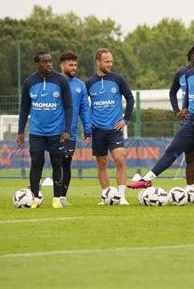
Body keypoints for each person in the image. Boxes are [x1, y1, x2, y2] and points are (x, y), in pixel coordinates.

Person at [128, 42, 194, 205]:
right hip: (191, 121)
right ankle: (147, 179)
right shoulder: (189, 74)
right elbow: (189, 93)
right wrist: (185, 107)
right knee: (172, 150)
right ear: (193, 56)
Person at [17, 52, 73, 209]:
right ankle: (35, 198)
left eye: (50, 61)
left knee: (57, 163)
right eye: (45, 62)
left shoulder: (61, 80)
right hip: (36, 132)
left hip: (56, 132)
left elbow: (69, 107)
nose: (49, 64)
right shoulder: (29, 82)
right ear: (37, 64)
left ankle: (56, 199)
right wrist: (20, 131)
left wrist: (67, 129)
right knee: (36, 163)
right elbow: (24, 108)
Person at [86, 48, 134, 205]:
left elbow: (130, 98)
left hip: (115, 128)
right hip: (97, 129)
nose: (110, 64)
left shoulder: (117, 79)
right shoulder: (89, 83)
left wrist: (126, 119)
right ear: (98, 62)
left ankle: (122, 197)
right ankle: (106, 196)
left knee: (120, 158)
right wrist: (87, 127)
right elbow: (82, 106)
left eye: (111, 61)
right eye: (107, 61)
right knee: (102, 163)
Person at [59, 52, 92, 206]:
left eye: (75, 65)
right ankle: (38, 194)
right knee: (52, 162)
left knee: (66, 163)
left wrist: (87, 130)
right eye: (70, 65)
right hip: (52, 131)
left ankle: (61, 197)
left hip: (70, 133)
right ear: (62, 66)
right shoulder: (54, 82)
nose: (73, 68)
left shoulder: (80, 85)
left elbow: (84, 109)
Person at [168, 47, 194, 188]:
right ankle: (190, 189)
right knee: (189, 157)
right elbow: (172, 92)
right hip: (188, 122)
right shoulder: (182, 73)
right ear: (191, 56)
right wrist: (177, 111)